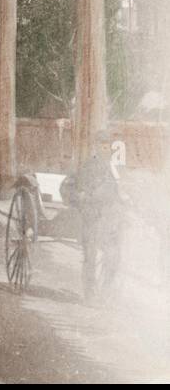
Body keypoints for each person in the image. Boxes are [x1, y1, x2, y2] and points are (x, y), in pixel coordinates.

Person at [67, 129, 125, 303]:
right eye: (101, 145)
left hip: (107, 219)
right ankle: (90, 293)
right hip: (90, 217)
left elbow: (118, 192)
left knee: (113, 256)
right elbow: (80, 189)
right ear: (96, 146)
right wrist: (87, 196)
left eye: (107, 145)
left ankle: (106, 291)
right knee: (90, 255)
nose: (104, 148)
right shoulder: (88, 165)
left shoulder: (113, 169)